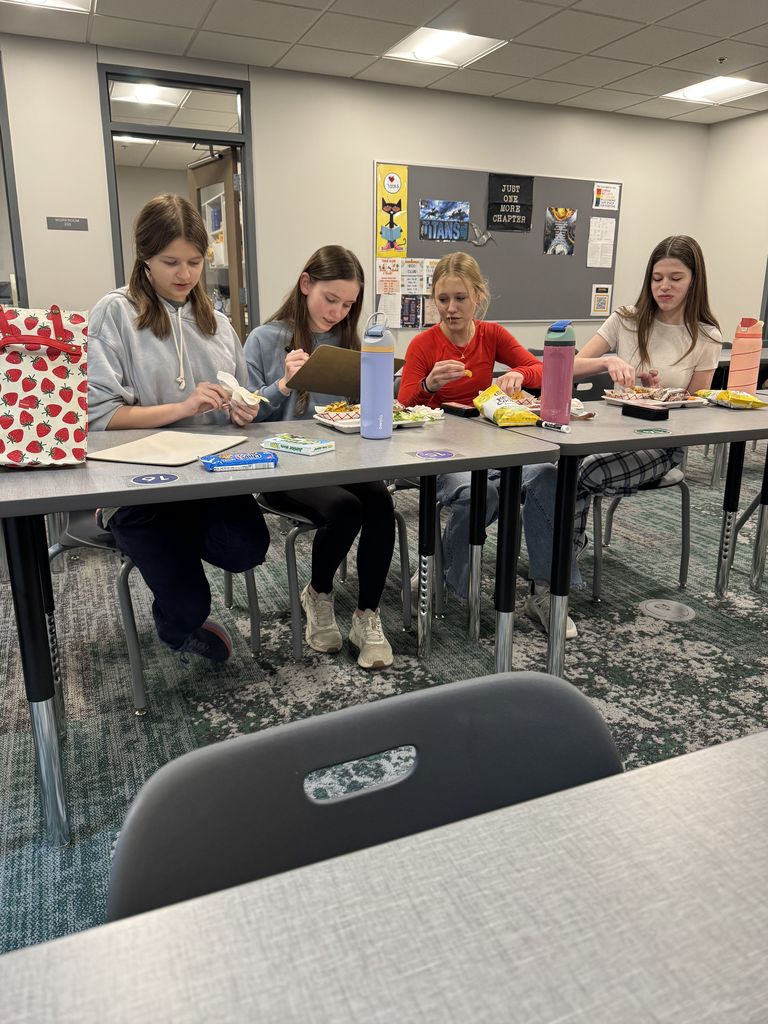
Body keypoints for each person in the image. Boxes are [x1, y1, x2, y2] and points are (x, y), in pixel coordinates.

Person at [88, 193, 270, 664]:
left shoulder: (219, 324)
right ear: (144, 258)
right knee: (189, 605)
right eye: (170, 261)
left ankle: (176, 564)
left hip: (208, 478)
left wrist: (241, 411)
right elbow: (100, 417)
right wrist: (182, 406)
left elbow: (241, 399)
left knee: (249, 548)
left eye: (194, 262)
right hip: (138, 488)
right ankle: (178, 619)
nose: (185, 275)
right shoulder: (115, 313)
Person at [521, 234, 722, 638]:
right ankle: (551, 582)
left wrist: (660, 393)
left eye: (675, 279)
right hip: (609, 435)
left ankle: (550, 586)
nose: (664, 287)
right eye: (657, 278)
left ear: (694, 281)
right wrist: (609, 361)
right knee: (558, 475)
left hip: (662, 445)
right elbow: (567, 368)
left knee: (568, 478)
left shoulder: (707, 336)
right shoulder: (627, 319)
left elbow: (699, 410)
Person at [244, 245, 396, 670]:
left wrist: (386, 385)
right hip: (283, 464)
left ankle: (367, 615)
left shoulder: (349, 341)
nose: (338, 312)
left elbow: (357, 411)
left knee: (381, 502)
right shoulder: (264, 339)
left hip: (340, 458)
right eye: (331, 300)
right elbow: (244, 417)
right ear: (306, 284)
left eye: (348, 305)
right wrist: (284, 385)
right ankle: (319, 595)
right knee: (345, 508)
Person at [398, 251, 543, 599]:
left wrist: (517, 374)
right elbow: (402, 405)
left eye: (460, 298)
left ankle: (545, 588)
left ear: (478, 296)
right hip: (435, 450)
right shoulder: (424, 344)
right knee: (483, 493)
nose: (451, 308)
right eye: (442, 299)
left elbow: (541, 369)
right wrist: (429, 385)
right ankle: (453, 579)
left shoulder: (492, 335)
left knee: (543, 477)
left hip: (485, 447)